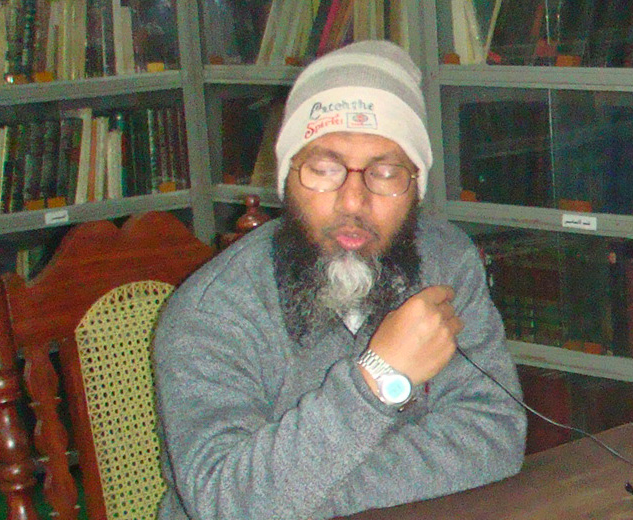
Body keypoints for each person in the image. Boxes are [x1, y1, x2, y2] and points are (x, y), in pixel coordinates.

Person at [152, 41, 526, 519]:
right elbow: (228, 505)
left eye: (384, 172)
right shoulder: (212, 312)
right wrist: (380, 376)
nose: (352, 201)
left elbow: (495, 432)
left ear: (416, 187)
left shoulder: (445, 261)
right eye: (324, 169)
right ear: (286, 179)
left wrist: (305, 494)